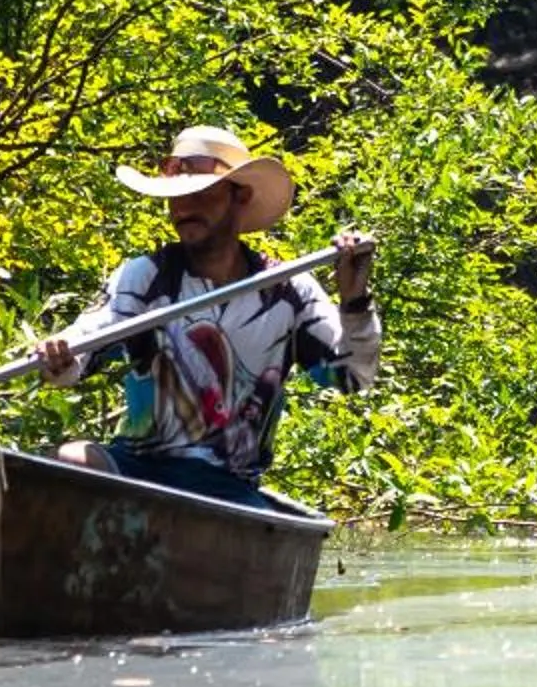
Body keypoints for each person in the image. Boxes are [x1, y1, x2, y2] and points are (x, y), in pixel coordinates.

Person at [37, 125, 378, 506]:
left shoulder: (289, 290)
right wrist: (62, 355)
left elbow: (354, 376)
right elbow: (87, 343)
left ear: (240, 196)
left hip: (229, 484)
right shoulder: (146, 277)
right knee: (70, 460)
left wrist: (354, 300)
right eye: (176, 198)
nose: (184, 208)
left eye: (200, 194)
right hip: (139, 466)